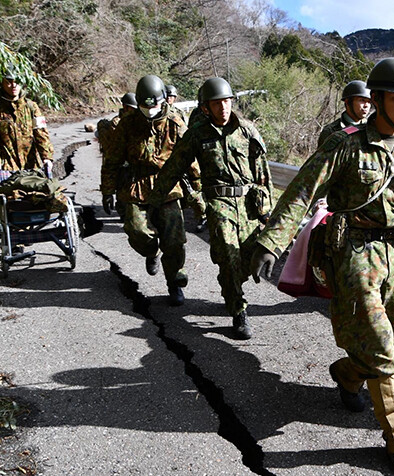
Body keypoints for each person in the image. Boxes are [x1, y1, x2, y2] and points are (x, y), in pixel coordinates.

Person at [250, 58, 394, 476]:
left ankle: (347, 373)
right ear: (378, 99)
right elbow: (302, 191)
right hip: (354, 255)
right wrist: (270, 242)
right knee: (384, 353)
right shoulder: (344, 144)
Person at [149, 77, 272, 340]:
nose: (223, 108)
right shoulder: (197, 134)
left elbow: (263, 173)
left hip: (249, 204)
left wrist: (266, 210)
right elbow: (174, 167)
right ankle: (239, 311)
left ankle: (230, 286)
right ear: (206, 107)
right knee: (228, 253)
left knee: (248, 259)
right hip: (219, 204)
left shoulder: (248, 130)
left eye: (226, 102)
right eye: (217, 103)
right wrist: (156, 200)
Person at [100, 75, 189, 306]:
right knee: (137, 232)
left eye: (154, 105)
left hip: (168, 186)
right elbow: (112, 160)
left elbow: (190, 158)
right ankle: (151, 252)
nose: (150, 110)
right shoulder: (127, 125)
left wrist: (198, 192)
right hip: (136, 185)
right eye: (144, 106)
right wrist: (107, 191)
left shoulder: (175, 122)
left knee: (174, 240)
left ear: (163, 101)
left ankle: (174, 283)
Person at [0, 68, 54, 172]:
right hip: (6, 167)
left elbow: (41, 133)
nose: (14, 85)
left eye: (17, 81)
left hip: (31, 166)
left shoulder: (32, 107)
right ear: (2, 83)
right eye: (9, 82)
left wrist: (47, 158)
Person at [317, 80, 372, 149]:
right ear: (348, 102)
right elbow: (321, 158)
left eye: (369, 102)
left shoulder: (372, 128)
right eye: (362, 100)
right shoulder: (331, 131)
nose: (366, 105)